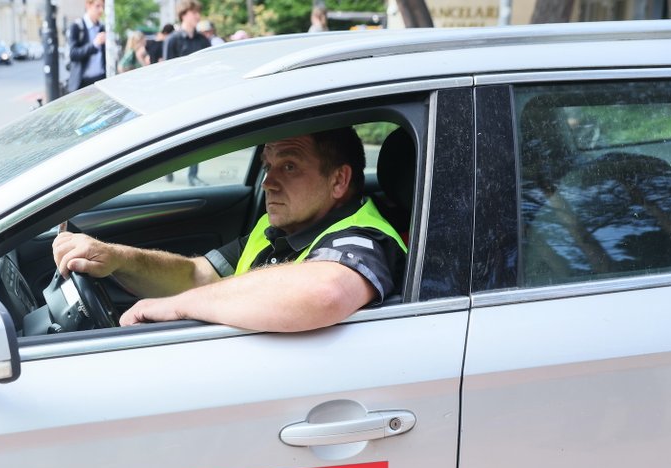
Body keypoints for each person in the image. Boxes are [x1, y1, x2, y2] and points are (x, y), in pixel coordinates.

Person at [52, 127, 407, 333]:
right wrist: (115, 258)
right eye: (269, 166)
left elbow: (325, 292)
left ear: (339, 180)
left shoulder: (364, 236)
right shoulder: (278, 227)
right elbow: (195, 274)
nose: (268, 182)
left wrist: (180, 307)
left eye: (289, 166)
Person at [163, 0, 212, 186]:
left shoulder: (202, 40)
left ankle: (193, 174)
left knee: (196, 136)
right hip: (178, 96)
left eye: (198, 13)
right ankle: (168, 166)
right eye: (194, 13)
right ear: (184, 14)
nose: (198, 16)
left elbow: (210, 65)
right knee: (175, 136)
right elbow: (167, 71)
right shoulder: (172, 40)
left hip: (198, 94)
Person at [67, 0, 106, 92]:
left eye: (103, 7)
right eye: (98, 6)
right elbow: (73, 54)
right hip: (82, 83)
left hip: (101, 79)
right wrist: (94, 45)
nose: (101, 10)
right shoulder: (77, 26)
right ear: (88, 5)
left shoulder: (102, 27)